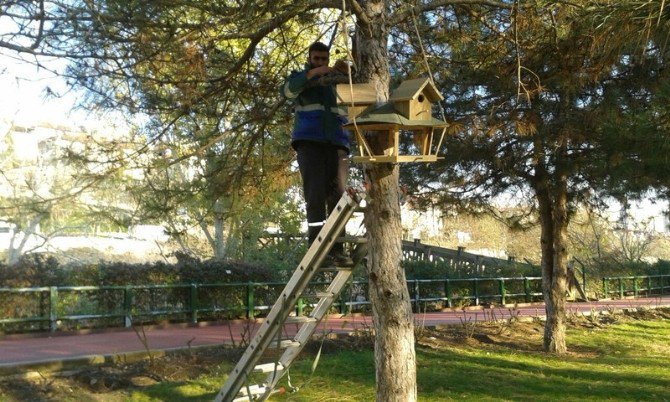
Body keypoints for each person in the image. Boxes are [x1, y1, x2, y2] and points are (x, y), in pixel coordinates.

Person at [281, 41, 353, 266]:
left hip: (338, 143)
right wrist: (314, 73)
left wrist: (346, 73)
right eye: (317, 59)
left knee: (339, 196)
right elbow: (288, 91)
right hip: (309, 143)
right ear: (310, 59)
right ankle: (316, 250)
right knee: (315, 196)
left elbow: (358, 94)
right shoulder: (300, 78)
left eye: (324, 59)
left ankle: (337, 249)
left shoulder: (338, 82)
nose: (321, 63)